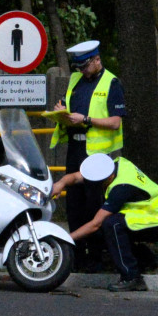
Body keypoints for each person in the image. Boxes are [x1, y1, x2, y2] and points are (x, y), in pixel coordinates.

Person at [50, 40, 127, 272]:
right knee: (74, 205)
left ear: (97, 60)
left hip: (97, 155)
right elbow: (66, 103)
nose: (81, 71)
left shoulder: (111, 82)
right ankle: (75, 257)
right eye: (78, 67)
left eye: (85, 66)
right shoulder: (75, 80)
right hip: (75, 149)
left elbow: (115, 122)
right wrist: (60, 112)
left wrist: (85, 120)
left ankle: (95, 259)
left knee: (93, 205)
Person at [51, 153, 158, 292]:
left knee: (112, 225)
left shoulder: (121, 188)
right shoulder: (110, 166)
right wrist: (61, 183)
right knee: (103, 231)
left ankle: (132, 277)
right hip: (144, 215)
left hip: (157, 221)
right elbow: (76, 177)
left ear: (109, 178)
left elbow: (95, 224)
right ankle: (145, 259)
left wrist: (64, 238)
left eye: (98, 184)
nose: (93, 187)